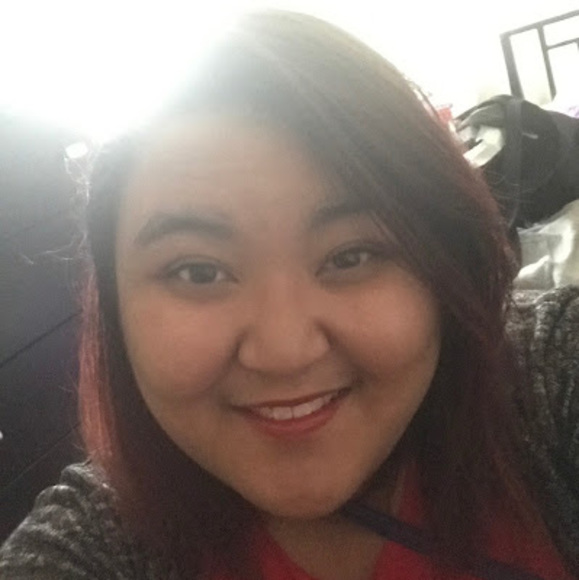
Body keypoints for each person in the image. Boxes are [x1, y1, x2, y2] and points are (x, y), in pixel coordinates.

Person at [1, 10, 578, 580]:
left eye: (351, 256)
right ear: (116, 308)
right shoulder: (97, 539)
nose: (284, 352)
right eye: (198, 271)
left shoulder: (545, 381)